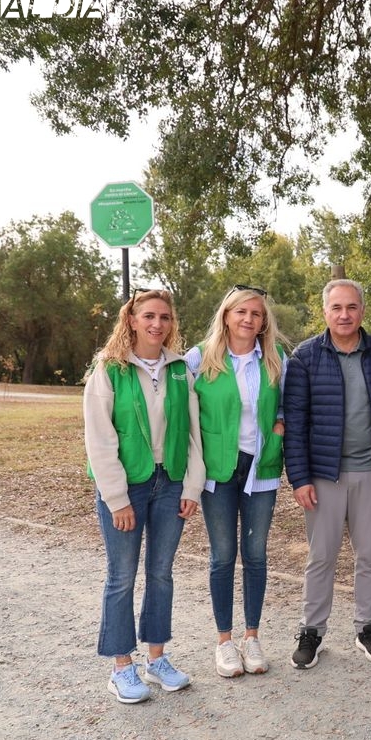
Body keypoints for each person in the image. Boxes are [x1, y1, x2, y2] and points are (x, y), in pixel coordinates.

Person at [284, 279, 371, 668]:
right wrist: (300, 477)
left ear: (362, 310)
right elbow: (295, 420)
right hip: (324, 475)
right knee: (321, 556)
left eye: (351, 307)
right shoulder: (305, 357)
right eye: (337, 307)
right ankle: (311, 632)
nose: (344, 315)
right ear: (325, 311)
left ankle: (367, 627)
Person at [83, 289, 204, 704]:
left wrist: (192, 487)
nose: (157, 324)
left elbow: (193, 435)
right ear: (131, 320)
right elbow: (99, 439)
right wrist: (116, 498)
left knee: (161, 573)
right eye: (149, 316)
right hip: (127, 484)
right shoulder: (109, 369)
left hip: (169, 482)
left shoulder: (177, 369)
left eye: (165, 317)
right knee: (121, 577)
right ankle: (121, 668)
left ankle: (157, 659)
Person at [184, 285, 287, 678]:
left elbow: (292, 405)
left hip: (260, 467)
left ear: (263, 322)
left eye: (256, 314)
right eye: (241, 312)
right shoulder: (199, 358)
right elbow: (182, 410)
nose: (248, 319)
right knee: (223, 556)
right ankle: (224, 642)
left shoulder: (277, 359)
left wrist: (280, 426)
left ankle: (252, 636)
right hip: (218, 471)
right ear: (226, 315)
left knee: (257, 554)